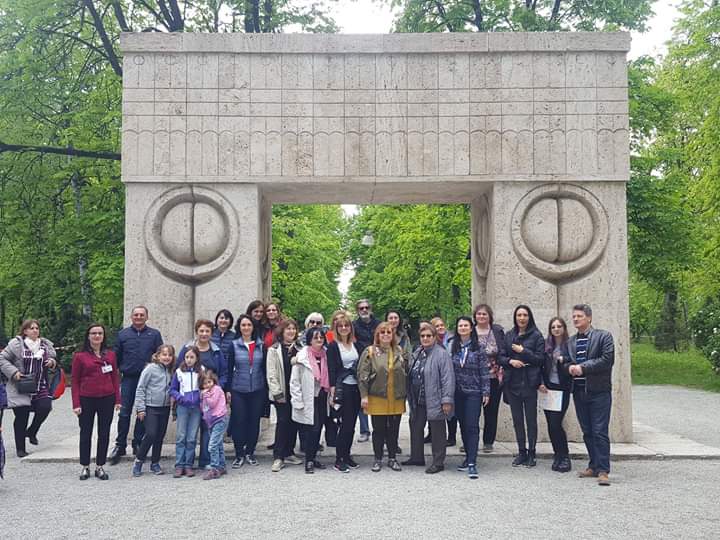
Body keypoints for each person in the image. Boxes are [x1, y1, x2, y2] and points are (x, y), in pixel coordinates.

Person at [566, 304, 614, 486]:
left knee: (599, 431)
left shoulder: (604, 336)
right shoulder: (571, 341)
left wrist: (583, 367)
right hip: (579, 392)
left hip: (599, 391)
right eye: (574, 316)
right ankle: (593, 465)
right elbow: (567, 361)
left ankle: (603, 470)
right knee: (587, 431)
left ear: (589, 318)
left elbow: (607, 360)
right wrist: (568, 367)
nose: (575, 319)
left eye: (579, 316)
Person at [110, 306, 163, 465]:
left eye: (142, 315)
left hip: (148, 380)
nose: (139, 317)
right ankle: (120, 445)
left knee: (142, 412)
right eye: (136, 315)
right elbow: (116, 356)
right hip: (129, 379)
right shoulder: (123, 334)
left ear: (147, 317)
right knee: (124, 412)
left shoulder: (154, 334)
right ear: (131, 317)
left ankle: (138, 443)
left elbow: (160, 355)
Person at [0, 319, 58, 457]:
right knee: (22, 416)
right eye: (31, 328)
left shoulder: (45, 345)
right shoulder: (16, 344)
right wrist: (13, 372)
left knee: (45, 407)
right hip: (20, 385)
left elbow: (53, 359)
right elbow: (2, 359)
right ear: (25, 331)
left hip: (40, 384)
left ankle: (32, 431)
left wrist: (51, 362)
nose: (35, 330)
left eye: (37, 328)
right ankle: (21, 449)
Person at [71, 324, 121, 480]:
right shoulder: (80, 356)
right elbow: (75, 381)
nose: (97, 336)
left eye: (100, 333)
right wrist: (76, 403)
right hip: (86, 398)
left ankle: (100, 465)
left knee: (104, 433)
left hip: (107, 398)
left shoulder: (110, 355)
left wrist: (117, 399)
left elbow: (115, 378)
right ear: (88, 336)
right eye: (93, 333)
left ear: (104, 336)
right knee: (85, 432)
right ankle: (85, 465)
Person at [177, 319, 228, 469]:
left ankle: (206, 461)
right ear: (196, 332)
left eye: (207, 331)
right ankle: (186, 462)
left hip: (211, 398)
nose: (204, 334)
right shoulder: (187, 349)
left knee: (208, 429)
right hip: (191, 399)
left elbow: (224, 373)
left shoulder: (216, 351)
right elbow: (178, 370)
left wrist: (216, 389)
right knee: (189, 432)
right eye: (201, 331)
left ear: (211, 333)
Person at [405, 322, 454, 474]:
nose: (425, 338)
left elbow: (448, 378)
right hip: (418, 399)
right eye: (423, 336)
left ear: (434, 337)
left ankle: (438, 462)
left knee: (437, 431)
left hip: (435, 398)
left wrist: (446, 400)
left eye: (428, 336)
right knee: (415, 426)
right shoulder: (418, 352)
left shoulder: (441, 354)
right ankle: (416, 457)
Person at [358, 322, 407, 472]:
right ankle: (378, 459)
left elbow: (406, 371)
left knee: (394, 430)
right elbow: (362, 375)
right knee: (378, 430)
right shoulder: (370, 351)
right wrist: (364, 395)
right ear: (377, 335)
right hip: (377, 397)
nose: (386, 335)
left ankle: (392, 458)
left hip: (396, 397)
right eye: (382, 332)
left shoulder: (399, 350)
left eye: (389, 332)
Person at [501, 305, 545, 468]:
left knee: (531, 420)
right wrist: (511, 361)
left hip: (529, 383)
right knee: (517, 420)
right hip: (512, 383)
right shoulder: (509, 335)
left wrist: (523, 351)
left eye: (525, 315)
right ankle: (521, 452)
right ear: (515, 317)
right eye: (519, 315)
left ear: (529, 317)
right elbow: (501, 357)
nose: (522, 318)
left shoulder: (537, 335)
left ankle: (532, 452)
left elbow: (540, 359)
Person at [450, 316, 490, 479]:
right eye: (460, 325)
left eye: (466, 325)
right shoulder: (453, 346)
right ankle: (467, 456)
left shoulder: (478, 348)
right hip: (457, 392)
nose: (463, 328)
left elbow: (484, 371)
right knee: (463, 425)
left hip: (474, 391)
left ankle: (473, 462)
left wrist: (486, 391)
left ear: (471, 328)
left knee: (472, 426)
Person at [290, 327, 332, 474]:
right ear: (309, 340)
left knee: (319, 428)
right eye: (315, 337)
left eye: (321, 337)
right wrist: (297, 401)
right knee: (312, 430)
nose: (319, 340)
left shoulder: (326, 355)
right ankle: (308, 460)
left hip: (323, 397)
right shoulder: (302, 357)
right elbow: (294, 381)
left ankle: (313, 458)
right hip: (308, 398)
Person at [227, 314, 266, 468]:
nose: (246, 328)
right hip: (238, 389)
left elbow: (264, 368)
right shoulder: (234, 345)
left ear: (253, 327)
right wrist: (228, 389)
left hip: (257, 389)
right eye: (243, 325)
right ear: (239, 327)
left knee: (254, 422)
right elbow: (229, 369)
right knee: (239, 421)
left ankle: (250, 452)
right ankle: (239, 454)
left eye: (249, 325)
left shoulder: (261, 345)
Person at [266, 318, 303, 472]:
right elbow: (271, 373)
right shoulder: (274, 349)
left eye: (293, 329)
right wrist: (277, 393)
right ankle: (278, 456)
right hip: (282, 393)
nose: (291, 331)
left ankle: (289, 452)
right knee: (282, 422)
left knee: (294, 422)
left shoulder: (301, 349)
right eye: (288, 328)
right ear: (282, 331)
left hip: (296, 392)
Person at [132, 344, 174, 477]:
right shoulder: (150, 369)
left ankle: (155, 462)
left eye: (170, 355)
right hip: (150, 407)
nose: (167, 357)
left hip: (165, 407)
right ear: (158, 355)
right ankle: (139, 460)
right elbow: (141, 388)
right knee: (151, 434)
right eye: (164, 354)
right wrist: (140, 408)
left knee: (159, 436)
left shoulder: (171, 370)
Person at [327, 312, 361, 472]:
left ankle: (347, 455)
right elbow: (332, 369)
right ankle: (339, 458)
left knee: (352, 424)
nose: (343, 328)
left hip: (356, 387)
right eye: (340, 326)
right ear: (336, 328)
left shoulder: (355, 345)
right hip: (342, 388)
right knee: (344, 425)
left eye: (346, 325)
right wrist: (333, 392)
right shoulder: (334, 346)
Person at [473, 304, 507, 453]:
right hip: (474, 378)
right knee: (473, 412)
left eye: (484, 314)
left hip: (493, 376)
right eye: (479, 314)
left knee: (491, 411)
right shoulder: (470, 331)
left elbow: (503, 350)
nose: (481, 316)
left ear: (490, 316)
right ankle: (470, 440)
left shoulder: (497, 331)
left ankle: (488, 441)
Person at [540, 317, 573, 473]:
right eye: (553, 327)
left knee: (556, 423)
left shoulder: (570, 345)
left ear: (564, 328)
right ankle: (557, 455)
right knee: (551, 424)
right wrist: (541, 383)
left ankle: (565, 456)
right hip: (549, 388)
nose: (556, 329)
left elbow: (575, 361)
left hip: (563, 388)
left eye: (559, 326)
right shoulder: (546, 345)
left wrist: (564, 359)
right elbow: (539, 365)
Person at [170, 345, 203, 478]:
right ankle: (179, 465)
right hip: (183, 407)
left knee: (191, 437)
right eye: (187, 357)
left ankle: (189, 464)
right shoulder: (179, 372)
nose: (189, 360)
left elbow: (205, 386)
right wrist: (180, 398)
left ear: (197, 358)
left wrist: (201, 397)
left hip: (196, 408)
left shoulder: (201, 371)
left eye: (192, 357)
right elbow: (172, 389)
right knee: (181, 436)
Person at [353, 299, 379, 443]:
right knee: (362, 398)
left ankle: (379, 431)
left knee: (378, 398)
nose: (364, 310)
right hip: (361, 364)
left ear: (370, 309)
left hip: (378, 363)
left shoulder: (378, 324)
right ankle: (364, 430)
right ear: (357, 310)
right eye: (361, 308)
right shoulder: (353, 326)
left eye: (366, 307)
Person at [201, 371, 228, 480]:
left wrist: (206, 395)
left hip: (219, 419)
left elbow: (212, 403)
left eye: (209, 382)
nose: (207, 385)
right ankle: (221, 466)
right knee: (218, 444)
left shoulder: (217, 390)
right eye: (205, 383)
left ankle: (214, 468)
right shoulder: (205, 394)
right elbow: (203, 407)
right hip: (211, 421)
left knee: (212, 445)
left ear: (213, 381)